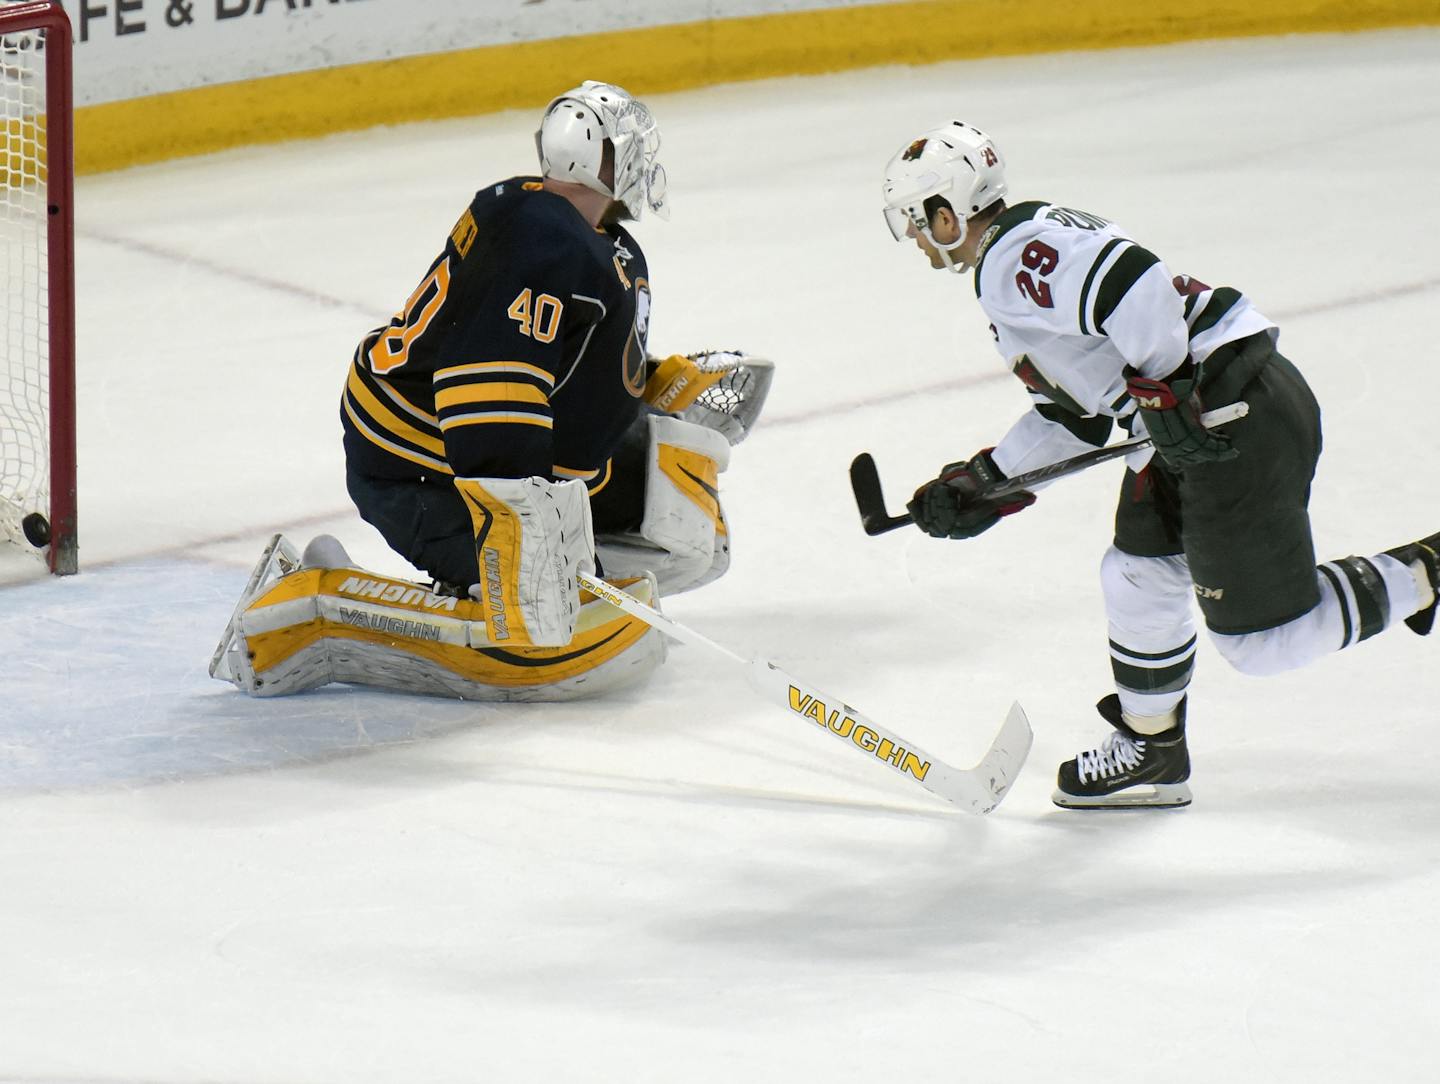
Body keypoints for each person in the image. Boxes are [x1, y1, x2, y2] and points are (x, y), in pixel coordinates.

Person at [878, 120, 1438, 809]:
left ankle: (1426, 574)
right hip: (1205, 422)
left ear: (946, 213)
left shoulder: (1010, 257)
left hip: (1230, 419)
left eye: (915, 220)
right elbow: (1080, 413)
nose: (914, 238)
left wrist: (1168, 388)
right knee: (1137, 575)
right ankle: (1153, 748)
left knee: (1266, 644)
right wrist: (987, 481)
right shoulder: (1023, 249)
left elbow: (1132, 280)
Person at [210, 80, 772, 703]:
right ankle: (320, 600)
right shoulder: (542, 237)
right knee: (537, 630)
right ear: (595, 159)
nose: (642, 162)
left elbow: (561, 360)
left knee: (688, 540)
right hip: (422, 463)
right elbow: (489, 381)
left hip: (502, 452)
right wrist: (522, 515)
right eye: (627, 148)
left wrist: (653, 388)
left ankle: (544, 568)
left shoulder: (585, 240)